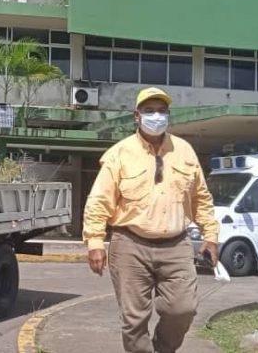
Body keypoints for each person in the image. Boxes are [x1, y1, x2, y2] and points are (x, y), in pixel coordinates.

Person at [83, 87, 219, 353]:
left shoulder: (185, 151)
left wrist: (211, 236)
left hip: (176, 244)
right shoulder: (119, 154)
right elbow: (99, 200)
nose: (156, 116)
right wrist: (95, 242)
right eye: (149, 111)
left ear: (168, 115)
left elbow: (202, 198)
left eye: (161, 110)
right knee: (134, 320)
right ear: (137, 115)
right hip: (130, 244)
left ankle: (163, 349)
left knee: (183, 309)